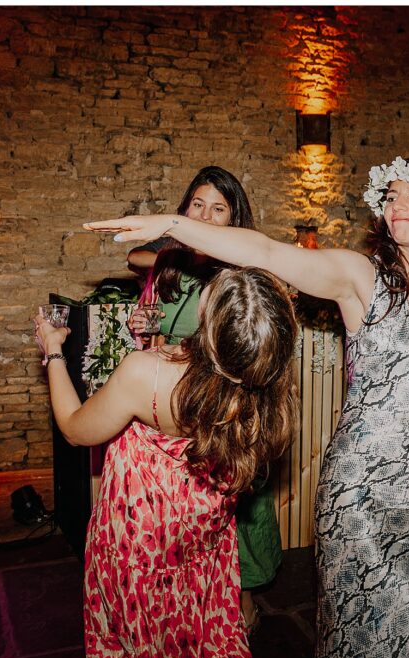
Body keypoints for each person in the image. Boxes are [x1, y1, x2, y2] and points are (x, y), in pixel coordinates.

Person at [86, 155, 409, 658]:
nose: (395, 206)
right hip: (362, 493)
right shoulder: (362, 277)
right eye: (391, 195)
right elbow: (265, 251)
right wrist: (171, 226)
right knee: (363, 631)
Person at [36, 267, 298, 658]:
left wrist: (52, 351)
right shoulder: (265, 385)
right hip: (203, 541)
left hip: (140, 541)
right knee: (198, 639)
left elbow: (74, 428)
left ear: (210, 324)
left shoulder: (148, 373)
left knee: (138, 647)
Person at [127, 166, 281, 633]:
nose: (206, 216)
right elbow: (140, 268)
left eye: (219, 208)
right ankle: (195, 605)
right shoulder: (171, 267)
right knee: (186, 519)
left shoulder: (242, 272)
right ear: (183, 210)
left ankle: (244, 602)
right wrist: (145, 329)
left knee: (233, 513)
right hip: (175, 408)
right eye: (197, 205)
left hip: (225, 405)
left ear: (234, 218)